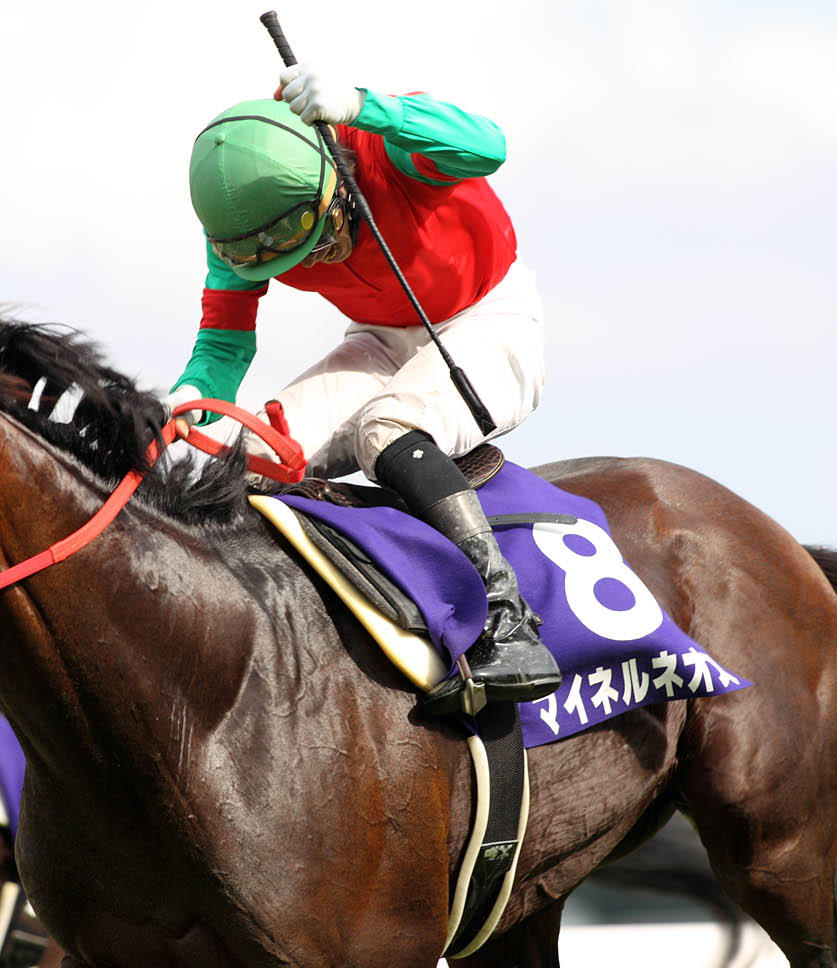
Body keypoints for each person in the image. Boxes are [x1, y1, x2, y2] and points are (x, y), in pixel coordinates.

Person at [169, 65, 560, 709]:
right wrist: (190, 394)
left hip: (489, 315)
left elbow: (489, 145)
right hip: (380, 338)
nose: (312, 262)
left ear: (335, 175)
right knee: (251, 456)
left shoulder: (382, 147)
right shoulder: (240, 231)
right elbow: (223, 344)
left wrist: (363, 106)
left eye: (314, 236)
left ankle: (507, 620)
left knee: (387, 428)